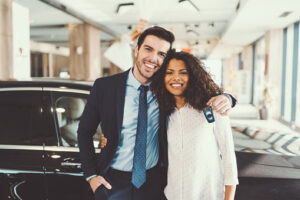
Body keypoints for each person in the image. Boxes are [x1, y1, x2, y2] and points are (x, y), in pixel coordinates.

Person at [77, 26, 236, 200]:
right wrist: (91, 175)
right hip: (112, 181)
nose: (153, 58)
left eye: (162, 54)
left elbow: (198, 90)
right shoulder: (105, 87)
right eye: (148, 49)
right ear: (137, 50)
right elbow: (84, 132)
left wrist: (227, 98)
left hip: (153, 182)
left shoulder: (167, 91)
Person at [151, 50, 239, 200]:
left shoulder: (213, 107)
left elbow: (229, 158)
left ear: (192, 76)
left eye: (183, 72)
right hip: (172, 195)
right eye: (169, 72)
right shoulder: (163, 112)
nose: (175, 78)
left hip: (208, 195)